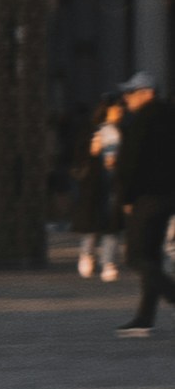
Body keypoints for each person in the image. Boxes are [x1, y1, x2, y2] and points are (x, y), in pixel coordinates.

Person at [119, 75, 175, 335]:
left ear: (147, 93)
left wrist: (127, 197)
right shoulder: (170, 116)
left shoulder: (142, 121)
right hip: (168, 195)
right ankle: (144, 317)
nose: (127, 98)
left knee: (136, 256)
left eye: (132, 93)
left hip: (147, 197)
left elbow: (131, 162)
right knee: (150, 256)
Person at [76, 97, 128, 281]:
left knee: (112, 225)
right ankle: (87, 254)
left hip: (115, 182)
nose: (119, 114)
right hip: (95, 183)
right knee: (93, 225)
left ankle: (108, 262)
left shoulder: (122, 132)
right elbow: (80, 157)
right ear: (107, 110)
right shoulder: (95, 131)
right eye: (117, 110)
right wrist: (93, 152)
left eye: (121, 111)